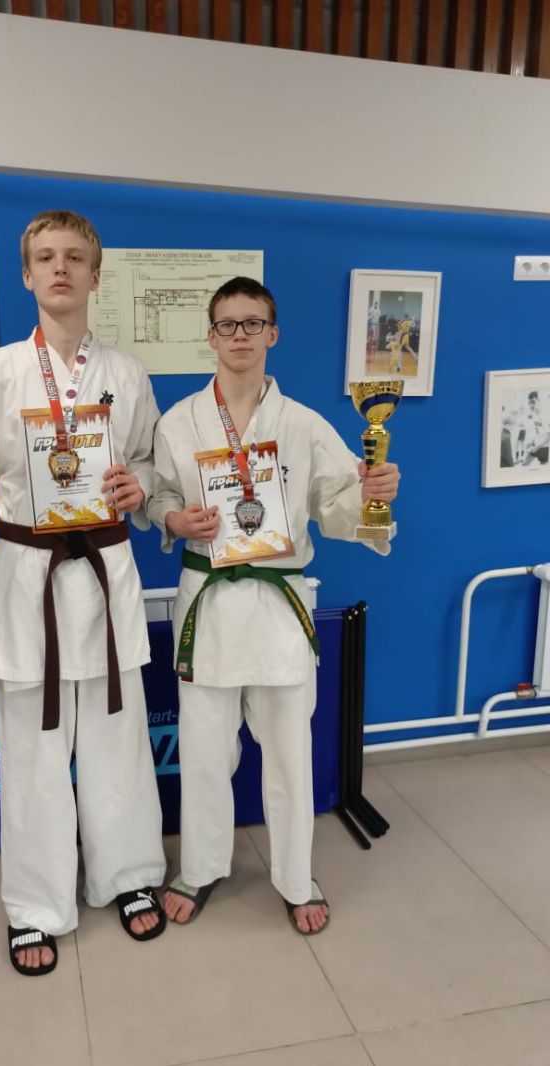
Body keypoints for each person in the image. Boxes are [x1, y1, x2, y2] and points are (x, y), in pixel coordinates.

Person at [0, 210, 167, 977]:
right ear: (25, 275)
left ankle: (128, 875)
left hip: (106, 573)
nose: (60, 268)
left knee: (120, 745)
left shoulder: (127, 374)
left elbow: (151, 466)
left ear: (96, 275)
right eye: (46, 257)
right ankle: (36, 907)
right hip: (30, 581)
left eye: (75, 257)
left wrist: (138, 484)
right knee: (32, 757)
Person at [147, 277, 400, 935]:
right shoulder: (177, 422)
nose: (240, 335)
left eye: (253, 323)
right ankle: (200, 867)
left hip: (280, 604)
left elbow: (339, 507)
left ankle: (295, 876)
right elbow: (157, 496)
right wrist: (174, 519)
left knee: (290, 751)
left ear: (273, 333)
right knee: (204, 751)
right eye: (227, 324)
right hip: (208, 601)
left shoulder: (304, 424)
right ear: (210, 336)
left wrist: (373, 492)